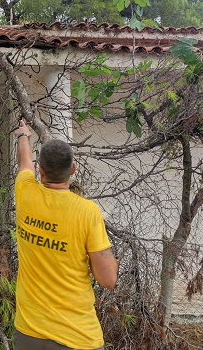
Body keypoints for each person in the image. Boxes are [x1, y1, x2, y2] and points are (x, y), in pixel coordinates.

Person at [12, 120, 118, 350]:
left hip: (29, 331)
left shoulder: (24, 193)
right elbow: (108, 279)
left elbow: (24, 163)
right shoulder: (87, 212)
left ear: (40, 170)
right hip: (77, 336)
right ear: (73, 169)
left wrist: (23, 135)